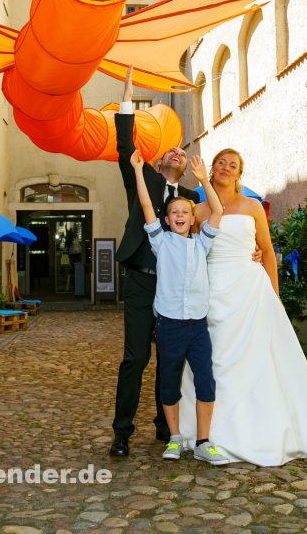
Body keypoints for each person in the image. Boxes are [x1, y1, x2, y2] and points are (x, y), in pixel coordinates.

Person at [179, 148, 307, 466]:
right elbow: (192, 256)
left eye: (233, 165)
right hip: (213, 292)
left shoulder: (253, 206)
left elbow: (267, 252)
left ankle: (259, 431)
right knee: (212, 358)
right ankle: (206, 433)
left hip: (250, 291)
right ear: (211, 169)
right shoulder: (197, 211)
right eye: (222, 163)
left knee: (261, 358)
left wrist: (275, 295)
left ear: (240, 173)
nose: (227, 168)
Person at [110, 66, 200, 458]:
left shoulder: (192, 199)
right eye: (172, 149)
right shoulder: (142, 179)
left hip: (176, 287)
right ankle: (122, 433)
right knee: (136, 357)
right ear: (161, 160)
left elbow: (212, 231)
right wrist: (128, 98)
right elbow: (125, 145)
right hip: (143, 282)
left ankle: (167, 426)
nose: (178, 151)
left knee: (171, 357)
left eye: (183, 150)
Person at [131, 148, 229, 465]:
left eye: (184, 212)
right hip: (170, 326)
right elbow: (146, 204)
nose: (179, 216)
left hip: (197, 327)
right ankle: (175, 438)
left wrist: (203, 180)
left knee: (206, 381)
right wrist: (137, 171)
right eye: (173, 213)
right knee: (169, 381)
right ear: (167, 219)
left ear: (191, 218)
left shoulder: (203, 243)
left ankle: (203, 440)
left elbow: (217, 211)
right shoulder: (161, 242)